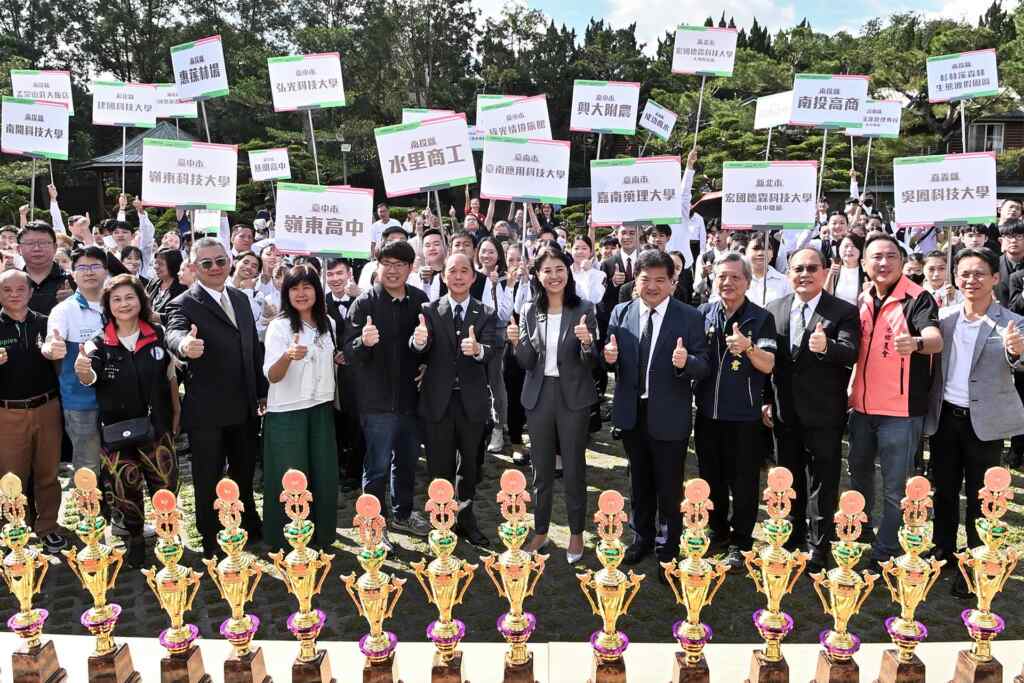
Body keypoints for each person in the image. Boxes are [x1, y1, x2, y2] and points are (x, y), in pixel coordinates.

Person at [924, 247, 1024, 597]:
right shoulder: (945, 319)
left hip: (984, 423)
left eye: (979, 273)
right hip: (945, 418)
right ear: (956, 277)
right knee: (945, 490)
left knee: (982, 496)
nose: (971, 280)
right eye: (964, 273)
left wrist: (1016, 351)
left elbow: (1020, 363)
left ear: (995, 278)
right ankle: (943, 550)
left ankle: (976, 561)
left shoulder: (1012, 322)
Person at [604, 250, 709, 570]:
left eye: (660, 280)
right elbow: (611, 357)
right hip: (633, 413)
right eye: (645, 279)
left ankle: (668, 543)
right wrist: (608, 357)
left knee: (668, 483)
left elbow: (704, 365)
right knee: (639, 481)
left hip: (670, 414)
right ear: (636, 281)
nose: (652, 286)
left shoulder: (689, 317)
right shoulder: (621, 312)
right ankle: (641, 537)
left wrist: (685, 363)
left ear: (672, 283)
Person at [165, 238, 266, 558]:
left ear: (230, 262)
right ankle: (210, 535)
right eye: (206, 263)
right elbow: (174, 333)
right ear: (193, 268)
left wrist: (261, 391)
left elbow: (251, 347)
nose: (214, 268)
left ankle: (245, 519)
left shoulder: (239, 297)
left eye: (220, 261)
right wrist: (184, 346)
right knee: (208, 476)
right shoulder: (183, 303)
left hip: (245, 405)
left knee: (244, 470)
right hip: (208, 409)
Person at [848, 233, 942, 568]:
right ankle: (861, 534)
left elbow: (934, 339)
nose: (883, 263)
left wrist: (915, 343)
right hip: (861, 408)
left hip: (900, 412)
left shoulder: (918, 298)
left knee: (894, 486)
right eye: (876, 257)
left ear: (902, 262)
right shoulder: (862, 299)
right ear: (864, 263)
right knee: (857, 474)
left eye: (891, 256)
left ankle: (885, 551)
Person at [763, 248, 860, 572]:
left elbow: (851, 352)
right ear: (789, 273)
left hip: (824, 413)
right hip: (784, 411)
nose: (804, 274)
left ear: (825, 272)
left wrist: (827, 347)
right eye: (797, 268)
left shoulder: (843, 311)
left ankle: (819, 545)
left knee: (822, 480)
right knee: (788, 479)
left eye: (811, 268)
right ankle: (791, 537)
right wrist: (766, 399)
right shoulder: (774, 309)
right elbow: (767, 360)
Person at [75, 274, 179, 567]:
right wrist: (83, 371)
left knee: (165, 483)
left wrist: (176, 412)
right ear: (108, 305)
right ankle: (134, 539)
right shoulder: (97, 343)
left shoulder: (157, 333)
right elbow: (90, 376)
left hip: (156, 426)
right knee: (124, 487)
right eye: (116, 299)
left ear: (140, 301)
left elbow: (171, 376)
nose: (124, 304)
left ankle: (167, 536)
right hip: (116, 430)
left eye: (129, 297)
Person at [507, 245, 599, 563]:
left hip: (573, 395)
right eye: (547, 270)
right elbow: (527, 362)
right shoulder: (532, 310)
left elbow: (593, 361)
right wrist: (516, 342)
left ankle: (576, 534)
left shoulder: (584, 308)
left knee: (573, 468)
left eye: (559, 268)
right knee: (541, 471)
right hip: (539, 395)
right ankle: (541, 531)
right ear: (538, 275)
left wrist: (588, 343)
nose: (554, 275)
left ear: (568, 272)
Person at [343, 240, 432, 542]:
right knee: (377, 465)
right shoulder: (365, 304)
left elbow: (429, 347)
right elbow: (349, 353)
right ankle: (372, 521)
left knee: (406, 463)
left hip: (410, 399)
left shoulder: (420, 301)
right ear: (377, 266)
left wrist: (426, 358)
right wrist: (362, 343)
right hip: (377, 401)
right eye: (387, 264)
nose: (393, 270)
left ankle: (404, 514)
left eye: (400, 265)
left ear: (410, 268)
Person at [694, 252, 777, 569]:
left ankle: (741, 541)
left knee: (743, 482)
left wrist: (748, 347)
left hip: (744, 416)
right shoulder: (702, 313)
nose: (727, 282)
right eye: (722, 277)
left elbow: (769, 365)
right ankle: (716, 532)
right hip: (707, 414)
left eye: (735, 277)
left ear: (747, 281)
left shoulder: (761, 317)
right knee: (710, 477)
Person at [413, 253, 496, 546]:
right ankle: (441, 520)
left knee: (470, 464)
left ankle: (467, 518)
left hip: (471, 401)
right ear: (443, 276)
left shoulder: (485, 311)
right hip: (438, 401)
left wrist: (478, 350)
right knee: (439, 463)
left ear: (474, 277)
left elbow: (493, 350)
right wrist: (419, 342)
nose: (458, 276)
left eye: (465, 271)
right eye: (452, 271)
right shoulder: (429, 310)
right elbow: (419, 348)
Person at [262, 265, 340, 551]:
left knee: (322, 474)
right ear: (286, 293)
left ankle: (320, 537)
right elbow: (272, 375)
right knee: (291, 478)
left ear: (317, 291)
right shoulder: (279, 326)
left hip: (320, 407)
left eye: (307, 287)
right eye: (294, 288)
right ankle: (286, 541)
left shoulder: (327, 322)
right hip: (287, 412)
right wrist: (288, 355)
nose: (301, 294)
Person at [0, 270, 65, 554]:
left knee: (48, 473)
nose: (14, 294)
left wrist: (55, 350)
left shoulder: (45, 323)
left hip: (47, 408)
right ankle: (15, 531)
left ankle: (48, 527)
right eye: (6, 289)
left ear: (29, 292)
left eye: (19, 289)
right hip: (8, 413)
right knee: (11, 477)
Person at [44, 245, 107, 478]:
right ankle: (92, 513)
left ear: (106, 270)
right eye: (82, 267)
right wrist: (52, 348)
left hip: (120, 399)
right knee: (88, 467)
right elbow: (52, 342)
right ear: (72, 272)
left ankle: (121, 512)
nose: (89, 272)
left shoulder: (118, 303)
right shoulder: (64, 311)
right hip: (81, 402)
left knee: (120, 463)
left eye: (95, 266)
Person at [324, 258, 363, 491]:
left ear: (349, 274)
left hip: (358, 372)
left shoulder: (363, 298)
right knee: (334, 421)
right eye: (330, 275)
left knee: (356, 421)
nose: (335, 279)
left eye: (340, 273)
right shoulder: (321, 303)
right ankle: (335, 467)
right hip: (330, 371)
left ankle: (354, 471)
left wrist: (350, 353)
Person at [476, 236, 513, 454]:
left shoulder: (501, 279)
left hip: (495, 338)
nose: (486, 255)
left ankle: (499, 427)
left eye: (491, 251)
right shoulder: (470, 275)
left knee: (496, 384)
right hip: (472, 338)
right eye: (483, 251)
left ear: (498, 254)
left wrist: (495, 285)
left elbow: (502, 314)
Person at [19, 221, 71, 315]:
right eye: (30, 243)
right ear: (19, 249)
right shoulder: (8, 283)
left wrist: (75, 300)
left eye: (43, 243)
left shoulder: (72, 281)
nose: (37, 248)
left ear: (55, 247)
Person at [746, 233, 792, 306]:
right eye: (756, 248)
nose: (761, 253)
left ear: (772, 253)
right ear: (746, 252)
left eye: (766, 248)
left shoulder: (785, 282)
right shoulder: (737, 280)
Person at [146, 248, 187, 324]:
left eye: (160, 264)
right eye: (155, 263)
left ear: (172, 266)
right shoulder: (153, 283)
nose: (156, 267)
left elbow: (182, 317)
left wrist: (158, 317)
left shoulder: (182, 288)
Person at [824, 234, 866, 306]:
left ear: (860, 250)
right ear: (839, 249)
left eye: (854, 246)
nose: (849, 250)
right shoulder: (834, 269)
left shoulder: (866, 272)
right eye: (846, 246)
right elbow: (826, 297)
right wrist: (830, 276)